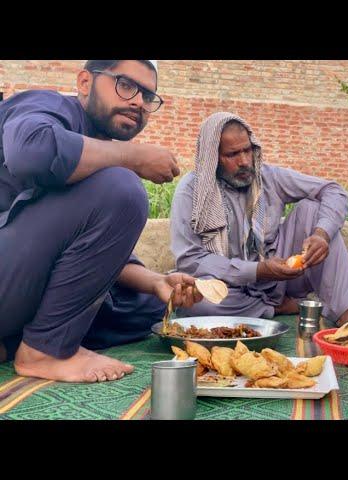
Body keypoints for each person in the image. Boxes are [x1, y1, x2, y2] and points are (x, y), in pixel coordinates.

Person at [0, 60, 203, 383]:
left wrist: (154, 282)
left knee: (150, 309)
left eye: (148, 96)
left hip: (19, 285)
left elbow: (84, 251)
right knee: (122, 188)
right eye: (125, 85)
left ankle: (12, 342)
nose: (138, 101)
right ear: (84, 82)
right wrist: (131, 157)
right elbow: (31, 153)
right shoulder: (45, 105)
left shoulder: (99, 156)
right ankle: (44, 352)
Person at [170, 112, 348, 326]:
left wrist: (321, 234)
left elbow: (333, 190)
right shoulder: (191, 191)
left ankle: (347, 312)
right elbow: (190, 261)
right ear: (212, 158)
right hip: (228, 289)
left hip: (280, 279)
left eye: (247, 150)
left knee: (313, 209)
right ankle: (275, 308)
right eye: (232, 154)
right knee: (198, 302)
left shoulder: (268, 176)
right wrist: (257, 271)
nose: (244, 161)